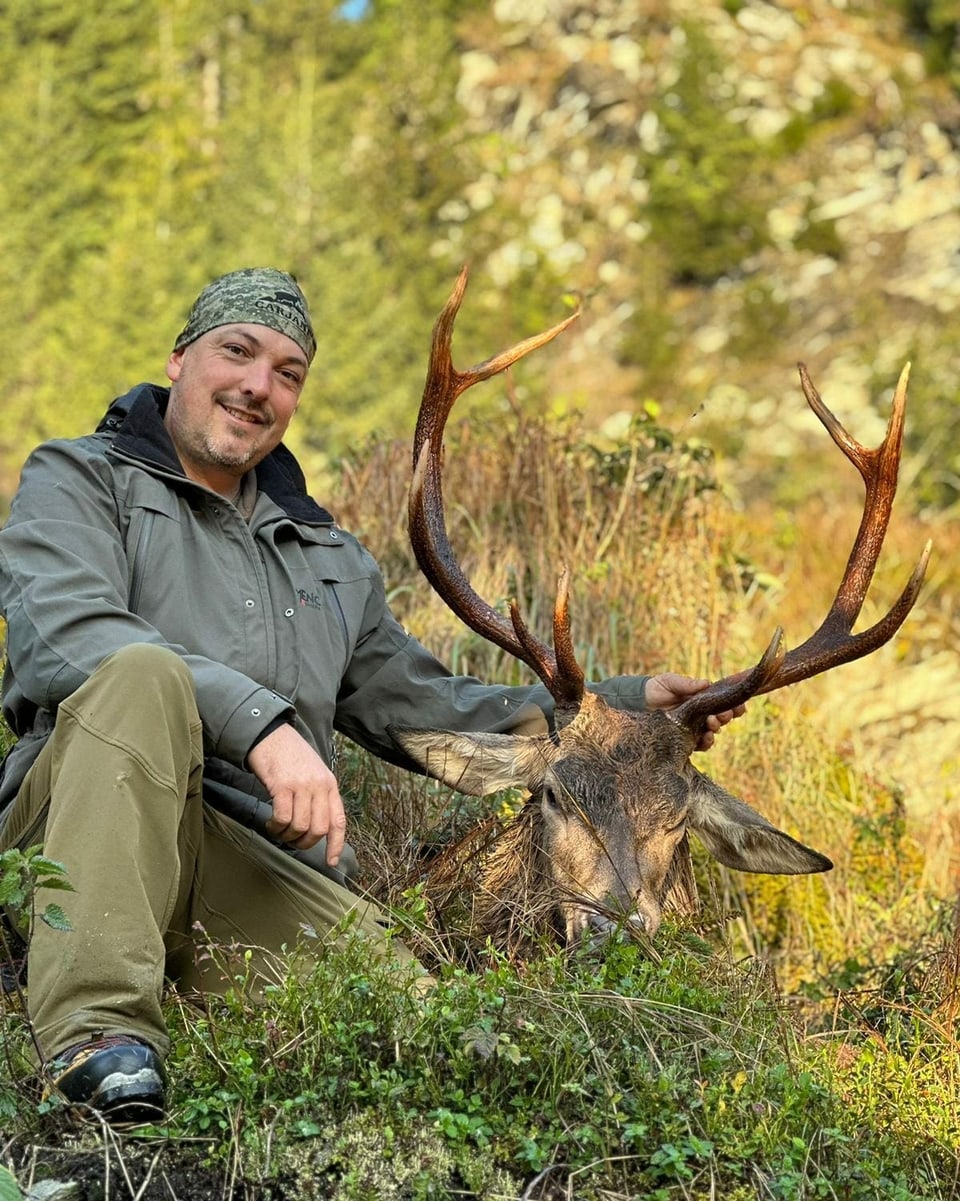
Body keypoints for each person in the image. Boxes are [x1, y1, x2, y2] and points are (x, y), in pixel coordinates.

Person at [0, 268, 740, 1125]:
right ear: (179, 358)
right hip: (73, 833)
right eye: (237, 352)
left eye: (287, 373)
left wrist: (623, 703)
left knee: (432, 1033)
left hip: (247, 858)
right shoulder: (78, 480)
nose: (257, 386)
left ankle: (175, 975)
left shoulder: (327, 557)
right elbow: (69, 633)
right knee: (140, 674)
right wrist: (264, 727)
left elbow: (428, 708)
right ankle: (99, 1035)